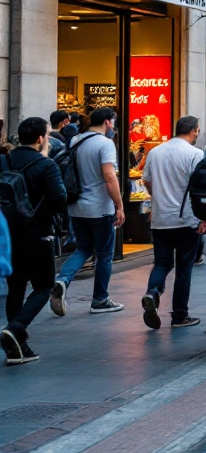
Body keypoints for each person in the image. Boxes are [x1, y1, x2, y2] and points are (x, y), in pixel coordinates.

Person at [1, 117, 68, 364]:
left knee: (16, 287)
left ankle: (17, 347)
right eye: (48, 135)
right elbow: (59, 197)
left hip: (8, 234)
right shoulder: (46, 165)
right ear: (41, 138)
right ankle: (16, 327)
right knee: (43, 286)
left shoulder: (3, 160)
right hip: (38, 232)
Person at [49, 108, 125, 317]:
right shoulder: (105, 144)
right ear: (108, 122)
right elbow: (110, 177)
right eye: (114, 122)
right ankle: (100, 299)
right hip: (99, 208)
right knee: (104, 255)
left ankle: (62, 280)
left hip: (76, 206)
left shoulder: (75, 140)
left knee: (83, 249)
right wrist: (119, 205)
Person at [140, 116, 206, 330]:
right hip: (187, 218)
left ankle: (152, 292)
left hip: (161, 219)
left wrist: (157, 197)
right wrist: (204, 217)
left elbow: (147, 180)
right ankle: (179, 315)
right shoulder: (195, 154)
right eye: (197, 131)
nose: (197, 134)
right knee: (184, 268)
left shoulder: (155, 152)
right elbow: (200, 187)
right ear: (192, 131)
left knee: (162, 263)